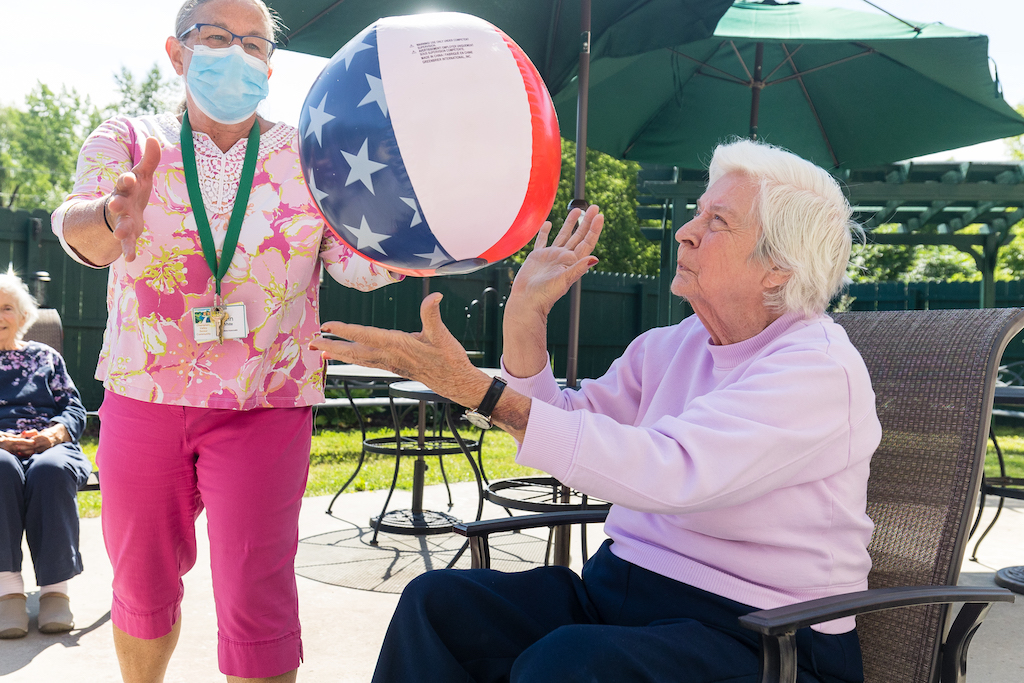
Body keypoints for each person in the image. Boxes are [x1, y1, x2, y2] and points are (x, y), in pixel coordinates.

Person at [311, 138, 880, 683]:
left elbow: (670, 472)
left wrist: (478, 391)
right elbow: (567, 430)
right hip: (621, 592)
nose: (685, 232)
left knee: (569, 665)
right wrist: (524, 319)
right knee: (438, 607)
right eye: (697, 214)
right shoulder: (672, 344)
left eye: (717, 222)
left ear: (778, 266)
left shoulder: (815, 370)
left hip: (762, 637)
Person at [51, 0, 400, 680]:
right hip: (145, 395)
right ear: (176, 53)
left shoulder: (312, 155)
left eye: (255, 42)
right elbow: (80, 227)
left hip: (266, 403)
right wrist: (109, 215)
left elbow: (359, 264)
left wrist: (430, 229)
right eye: (217, 36)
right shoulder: (126, 138)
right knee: (143, 587)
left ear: (271, 64)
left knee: (257, 598)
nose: (237, 52)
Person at [0, 269, 89, 639]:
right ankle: (8, 590)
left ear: (23, 317)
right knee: (1, 467)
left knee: (50, 470)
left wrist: (52, 435)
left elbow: (73, 408)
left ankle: (56, 591)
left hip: (51, 446)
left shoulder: (45, 357)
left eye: (6, 307)